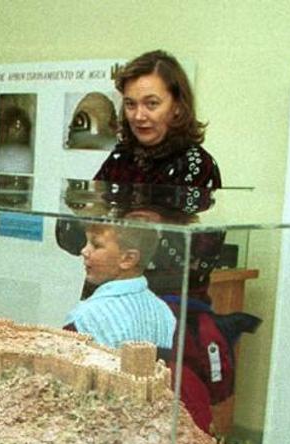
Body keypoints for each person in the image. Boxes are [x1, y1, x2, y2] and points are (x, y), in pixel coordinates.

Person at [56, 50, 223, 303]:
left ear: (177, 107)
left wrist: (110, 232)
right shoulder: (121, 158)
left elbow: (177, 251)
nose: (138, 115)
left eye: (151, 104)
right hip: (108, 296)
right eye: (131, 104)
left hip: (163, 304)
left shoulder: (195, 164)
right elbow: (74, 233)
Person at [63, 222, 175, 350]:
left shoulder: (84, 318)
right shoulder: (164, 311)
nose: (84, 251)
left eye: (96, 245)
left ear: (128, 259)